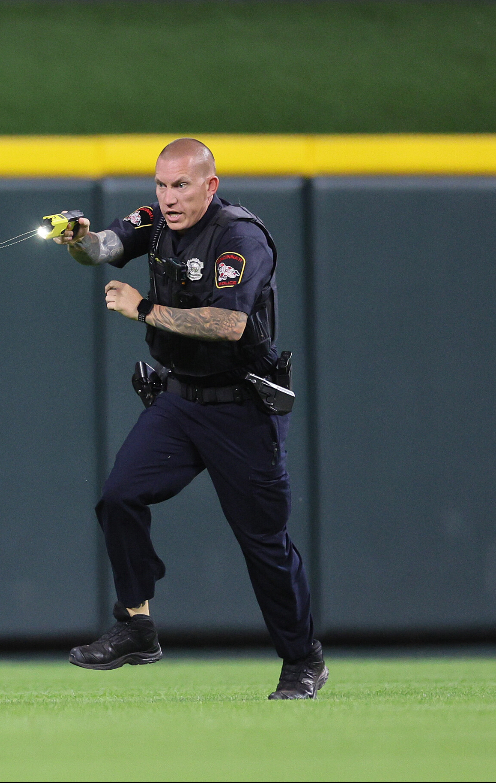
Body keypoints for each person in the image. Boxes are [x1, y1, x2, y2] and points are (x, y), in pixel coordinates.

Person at [56, 138, 327, 699]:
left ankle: (303, 660)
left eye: (181, 185)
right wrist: (78, 241)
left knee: (263, 545)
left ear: (211, 185)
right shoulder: (157, 222)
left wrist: (145, 309)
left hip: (242, 408)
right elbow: (104, 247)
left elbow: (229, 325)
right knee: (119, 496)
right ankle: (137, 625)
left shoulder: (239, 237)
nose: (168, 197)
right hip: (180, 400)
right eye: (161, 183)